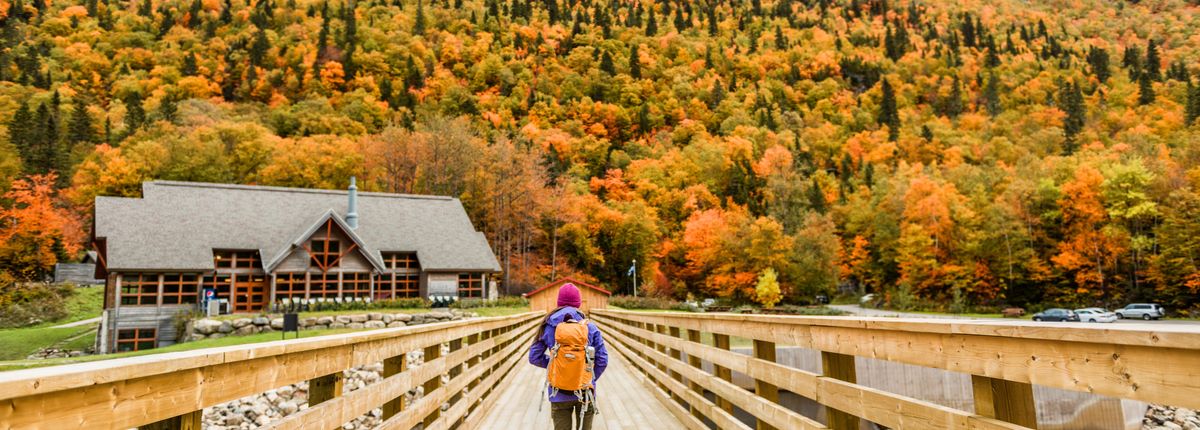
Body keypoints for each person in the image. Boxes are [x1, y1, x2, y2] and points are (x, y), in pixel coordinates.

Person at [528, 283, 609, 430]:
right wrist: (587, 376)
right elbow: (603, 360)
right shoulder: (589, 327)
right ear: (578, 303)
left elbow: (534, 357)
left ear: (558, 302)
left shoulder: (547, 325)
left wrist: (557, 365)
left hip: (558, 391)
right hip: (585, 391)